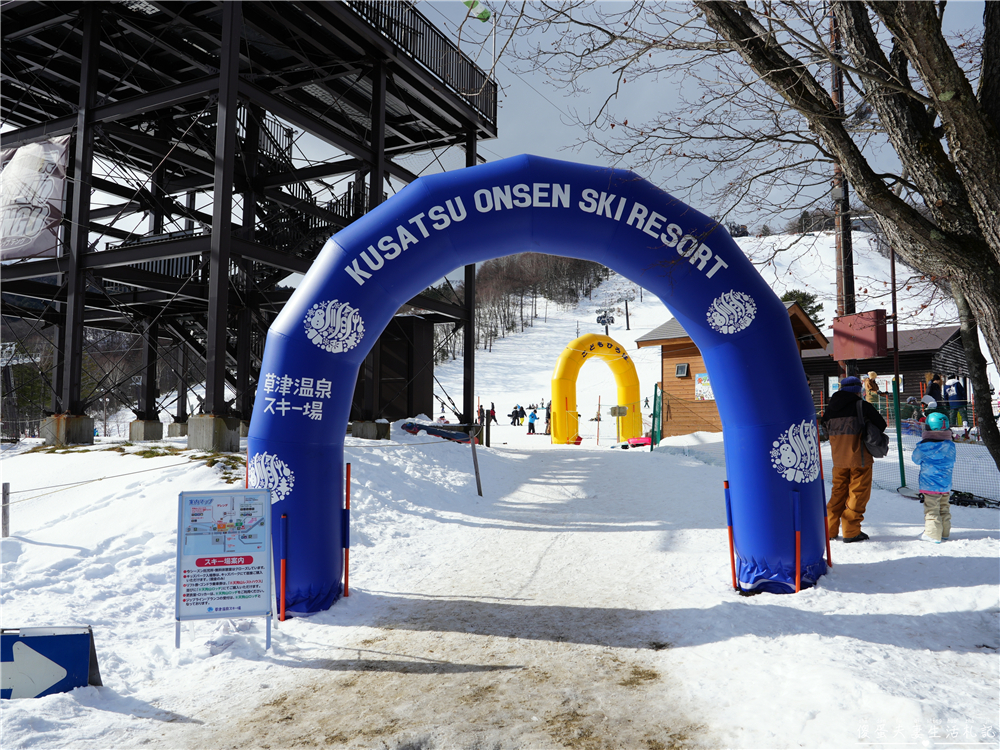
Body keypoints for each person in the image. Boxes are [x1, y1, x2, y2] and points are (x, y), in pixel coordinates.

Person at [820, 375, 887, 543]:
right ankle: (851, 531)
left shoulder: (830, 409)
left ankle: (829, 529)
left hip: (838, 460)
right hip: (860, 459)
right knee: (857, 494)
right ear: (858, 390)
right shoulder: (862, 406)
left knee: (838, 493)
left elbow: (825, 431)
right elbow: (882, 424)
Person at [911, 412, 957, 544]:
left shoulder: (923, 447)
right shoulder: (950, 446)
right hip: (945, 484)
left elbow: (915, 459)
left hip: (929, 485)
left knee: (932, 509)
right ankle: (944, 532)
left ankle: (932, 534)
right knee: (944, 507)